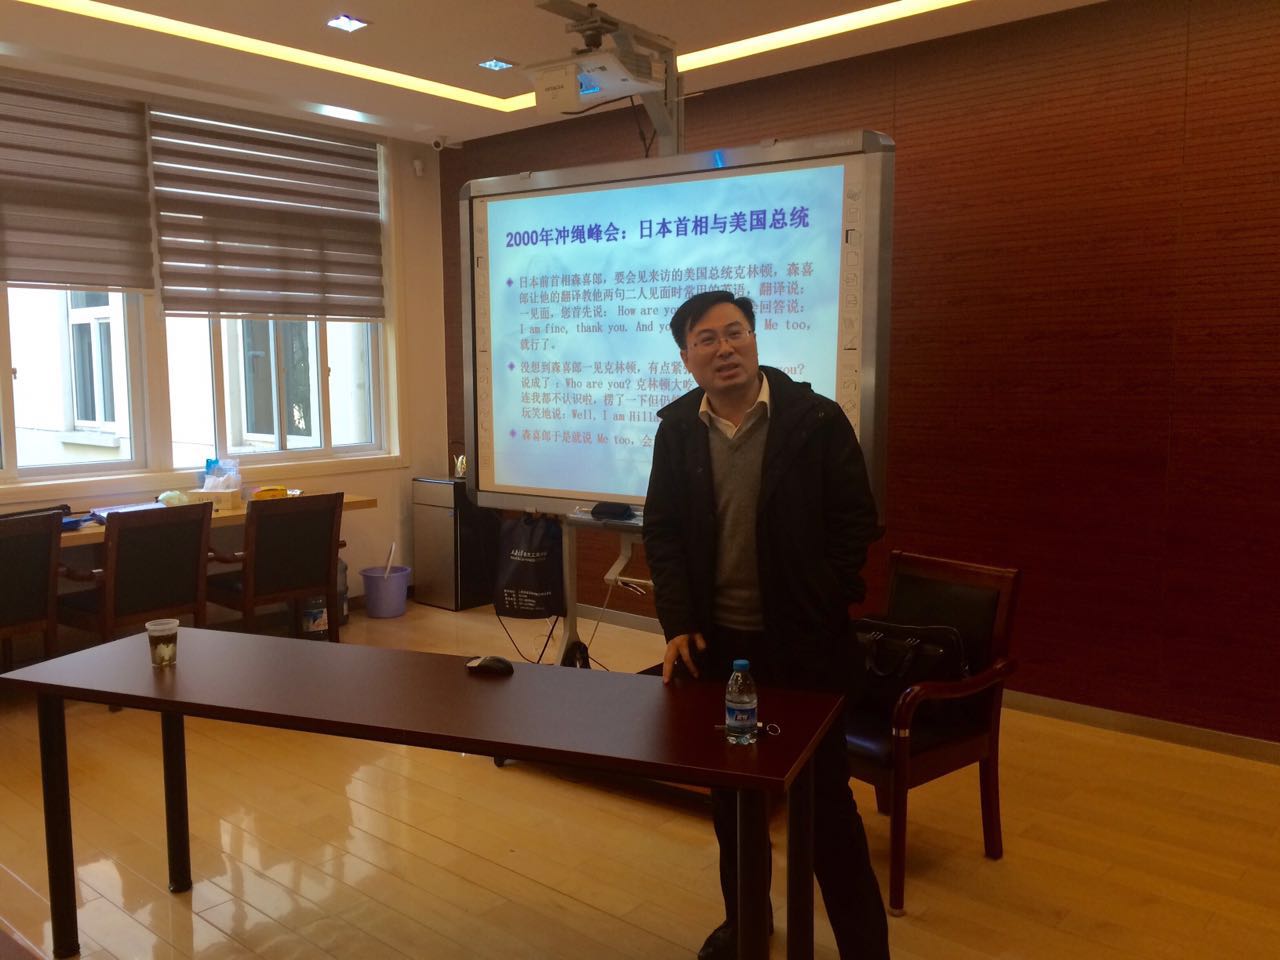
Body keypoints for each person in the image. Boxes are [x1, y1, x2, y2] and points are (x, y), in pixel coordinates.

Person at [643, 290, 890, 960]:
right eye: (707, 339)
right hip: (718, 647)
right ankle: (746, 925)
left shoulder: (815, 421)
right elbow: (663, 531)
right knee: (731, 797)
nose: (724, 348)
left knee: (825, 803)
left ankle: (865, 948)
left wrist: (824, 600)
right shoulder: (678, 429)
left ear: (754, 339)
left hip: (807, 646)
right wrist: (677, 622)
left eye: (736, 332)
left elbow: (856, 523)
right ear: (687, 357)